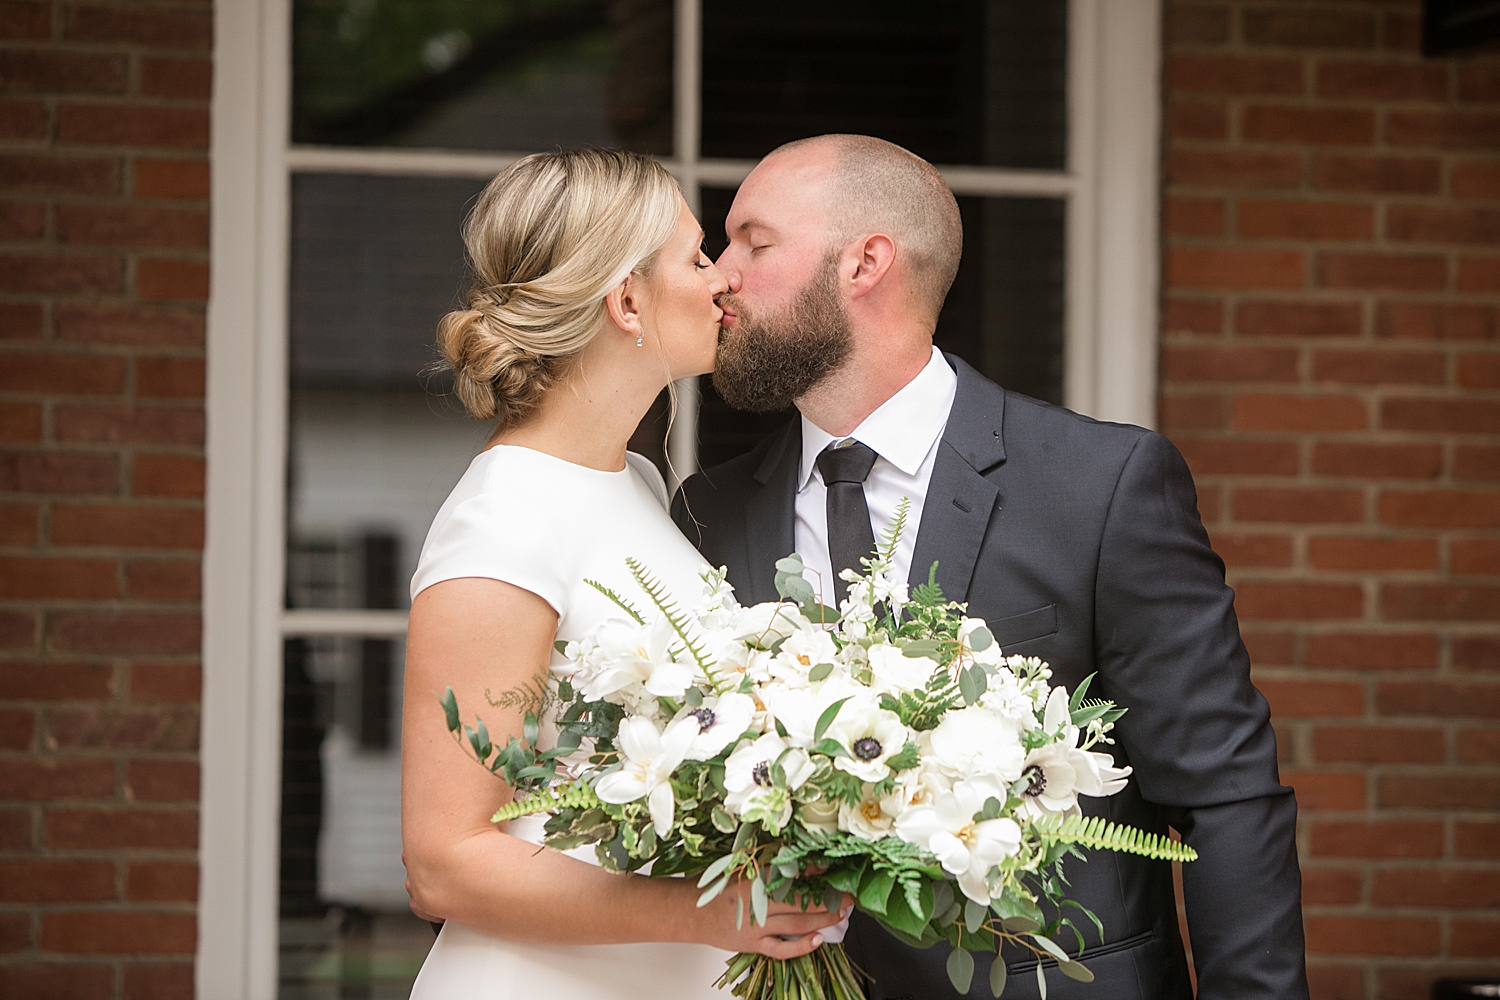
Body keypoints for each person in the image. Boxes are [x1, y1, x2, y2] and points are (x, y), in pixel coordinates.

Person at [672, 134, 1310, 1000]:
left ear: (866, 263)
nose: (721, 274)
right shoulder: (710, 510)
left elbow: (1225, 796)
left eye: (754, 241)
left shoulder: (1101, 486)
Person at [401, 148, 849, 998]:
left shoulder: (635, 482)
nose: (723, 281)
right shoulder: (504, 518)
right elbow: (444, 863)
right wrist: (708, 913)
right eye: (696, 256)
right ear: (627, 300)